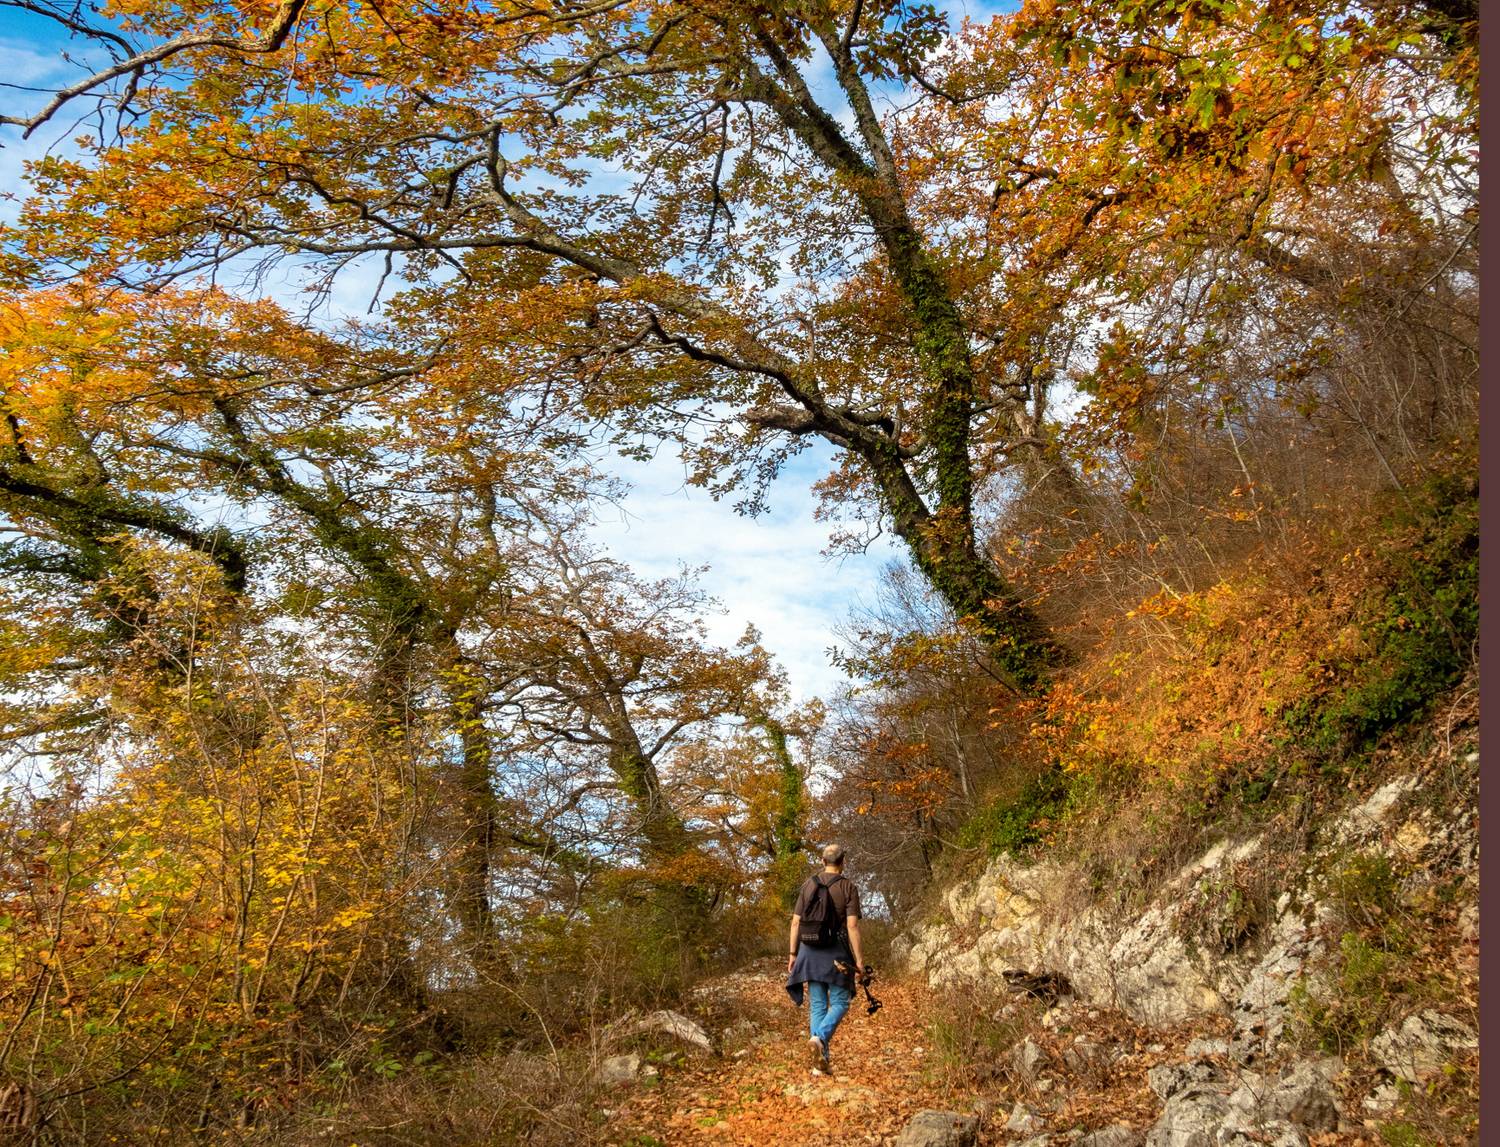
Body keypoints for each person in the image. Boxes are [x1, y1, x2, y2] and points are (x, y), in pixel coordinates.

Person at [785, 843, 867, 1076]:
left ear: (823, 861)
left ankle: (820, 1064)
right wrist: (859, 960)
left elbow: (795, 922)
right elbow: (852, 926)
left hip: (809, 952)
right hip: (836, 953)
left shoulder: (808, 885)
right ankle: (820, 1039)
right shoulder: (848, 887)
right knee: (840, 1003)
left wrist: (793, 954)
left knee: (818, 1006)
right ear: (843, 862)